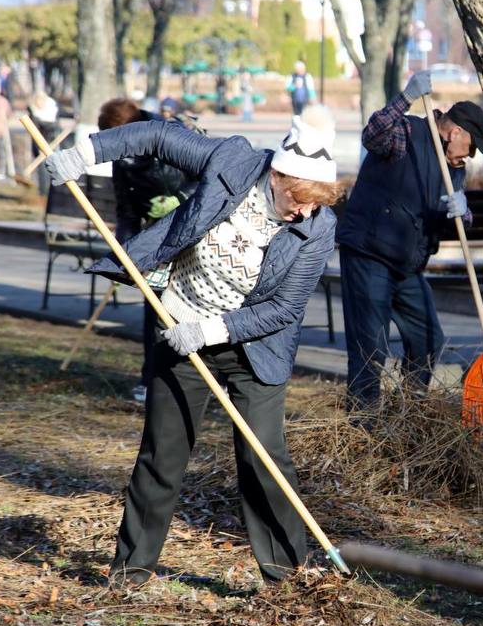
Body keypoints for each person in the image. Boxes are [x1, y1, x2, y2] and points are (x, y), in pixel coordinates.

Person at [42, 105, 347, 588]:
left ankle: (287, 579)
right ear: (277, 175)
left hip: (255, 345)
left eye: (316, 203)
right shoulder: (232, 162)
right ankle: (130, 573)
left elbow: (285, 309)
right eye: (300, 198)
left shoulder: (318, 227)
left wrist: (210, 332)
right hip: (180, 317)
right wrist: (86, 154)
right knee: (163, 453)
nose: (305, 211)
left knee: (263, 456)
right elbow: (157, 137)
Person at [336, 70, 483, 409]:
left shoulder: (455, 169)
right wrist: (406, 97)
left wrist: (463, 211)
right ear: (455, 132)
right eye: (472, 147)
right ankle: (363, 421)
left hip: (407, 266)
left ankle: (410, 411)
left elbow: (453, 217)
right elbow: (373, 134)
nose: (472, 156)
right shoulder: (407, 134)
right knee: (371, 346)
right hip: (369, 254)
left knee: (428, 338)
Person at [97, 97, 202, 403]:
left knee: (197, 306)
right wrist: (125, 254)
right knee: (154, 307)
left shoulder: (174, 136)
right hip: (157, 240)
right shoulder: (123, 160)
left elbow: (211, 179)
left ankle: (211, 380)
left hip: (197, 235)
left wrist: (181, 199)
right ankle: (151, 379)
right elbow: (126, 210)